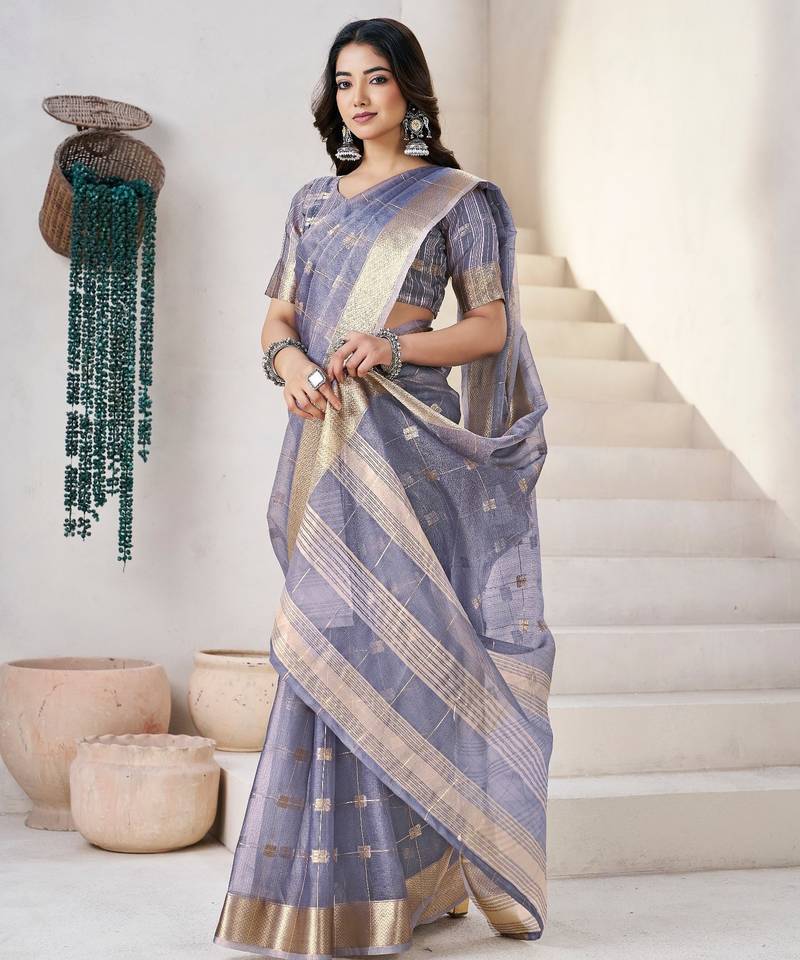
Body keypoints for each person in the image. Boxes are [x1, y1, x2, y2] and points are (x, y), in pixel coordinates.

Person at [214, 16, 555, 958]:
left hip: (410, 449)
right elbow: (278, 317)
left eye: (376, 78)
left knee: (400, 650)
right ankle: (339, 893)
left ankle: (423, 881)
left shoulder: (457, 201)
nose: (359, 97)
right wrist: (290, 365)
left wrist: (396, 348)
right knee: (329, 640)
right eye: (344, 81)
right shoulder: (312, 204)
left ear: (409, 88)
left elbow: (488, 329)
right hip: (325, 437)